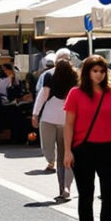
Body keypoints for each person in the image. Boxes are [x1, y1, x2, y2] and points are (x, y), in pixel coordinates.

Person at [63, 54, 111, 221]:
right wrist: (67, 151)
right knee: (86, 195)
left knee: (109, 196)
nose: (99, 75)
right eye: (95, 71)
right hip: (83, 149)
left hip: (108, 148)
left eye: (102, 71)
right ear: (87, 72)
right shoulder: (76, 93)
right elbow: (69, 124)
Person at [35, 53, 77, 203]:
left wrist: (35, 114)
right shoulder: (75, 77)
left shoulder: (49, 76)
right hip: (68, 120)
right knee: (66, 155)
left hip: (49, 117)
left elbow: (43, 95)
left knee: (49, 148)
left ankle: (51, 164)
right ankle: (67, 187)